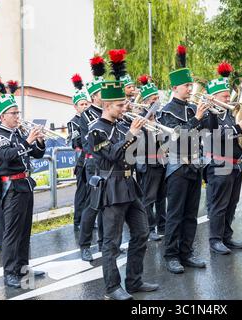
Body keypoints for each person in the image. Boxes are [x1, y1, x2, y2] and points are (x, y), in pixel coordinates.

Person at [88, 53, 158, 300]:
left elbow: (134, 153)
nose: (124, 108)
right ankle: (112, 288)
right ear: (107, 106)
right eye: (120, 105)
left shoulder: (120, 124)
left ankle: (134, 280)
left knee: (141, 232)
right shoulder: (96, 130)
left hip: (130, 184)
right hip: (112, 186)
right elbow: (113, 156)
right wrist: (131, 134)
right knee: (112, 242)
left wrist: (141, 134)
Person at [159, 45, 217, 273]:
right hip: (176, 166)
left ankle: (187, 252)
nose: (191, 88)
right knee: (175, 214)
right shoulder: (166, 111)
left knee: (191, 214)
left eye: (191, 85)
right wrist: (198, 117)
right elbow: (176, 138)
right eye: (187, 85)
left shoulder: (194, 108)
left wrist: (210, 111)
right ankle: (171, 255)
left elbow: (210, 129)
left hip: (195, 165)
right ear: (175, 87)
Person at [0, 73, 46, 288]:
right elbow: (8, 156)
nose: (17, 116)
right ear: (3, 116)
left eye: (17, 112)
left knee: (25, 229)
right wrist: (27, 140)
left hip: (25, 185)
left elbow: (36, 154)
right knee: (11, 233)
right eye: (13, 113)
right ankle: (9, 272)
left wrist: (38, 141)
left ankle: (23, 267)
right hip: (11, 187)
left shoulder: (17, 132)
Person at [204, 62, 242, 254]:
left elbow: (239, 133)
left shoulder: (232, 113)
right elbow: (216, 135)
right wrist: (240, 127)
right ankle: (215, 239)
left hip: (235, 163)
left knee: (232, 203)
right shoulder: (210, 114)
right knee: (219, 205)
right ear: (214, 97)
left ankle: (226, 236)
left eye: (227, 94)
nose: (228, 97)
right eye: (224, 96)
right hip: (219, 164)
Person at [78, 55, 106, 261]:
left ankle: (104, 243)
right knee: (93, 204)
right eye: (103, 93)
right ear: (95, 96)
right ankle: (85, 245)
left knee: (107, 204)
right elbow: (91, 140)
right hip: (93, 162)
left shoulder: (109, 111)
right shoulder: (87, 115)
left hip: (108, 161)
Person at [135, 75, 166, 241]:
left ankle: (163, 225)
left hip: (161, 162)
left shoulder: (160, 117)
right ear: (146, 101)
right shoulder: (139, 118)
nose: (157, 101)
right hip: (147, 163)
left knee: (162, 197)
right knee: (148, 198)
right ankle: (149, 228)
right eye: (154, 99)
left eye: (158, 98)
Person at [68, 74, 90, 231]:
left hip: (90, 158)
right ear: (76, 107)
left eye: (86, 103)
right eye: (81, 104)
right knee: (81, 192)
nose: (85, 106)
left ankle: (88, 219)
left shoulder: (90, 119)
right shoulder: (73, 122)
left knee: (90, 191)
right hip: (81, 160)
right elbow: (76, 142)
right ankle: (78, 221)